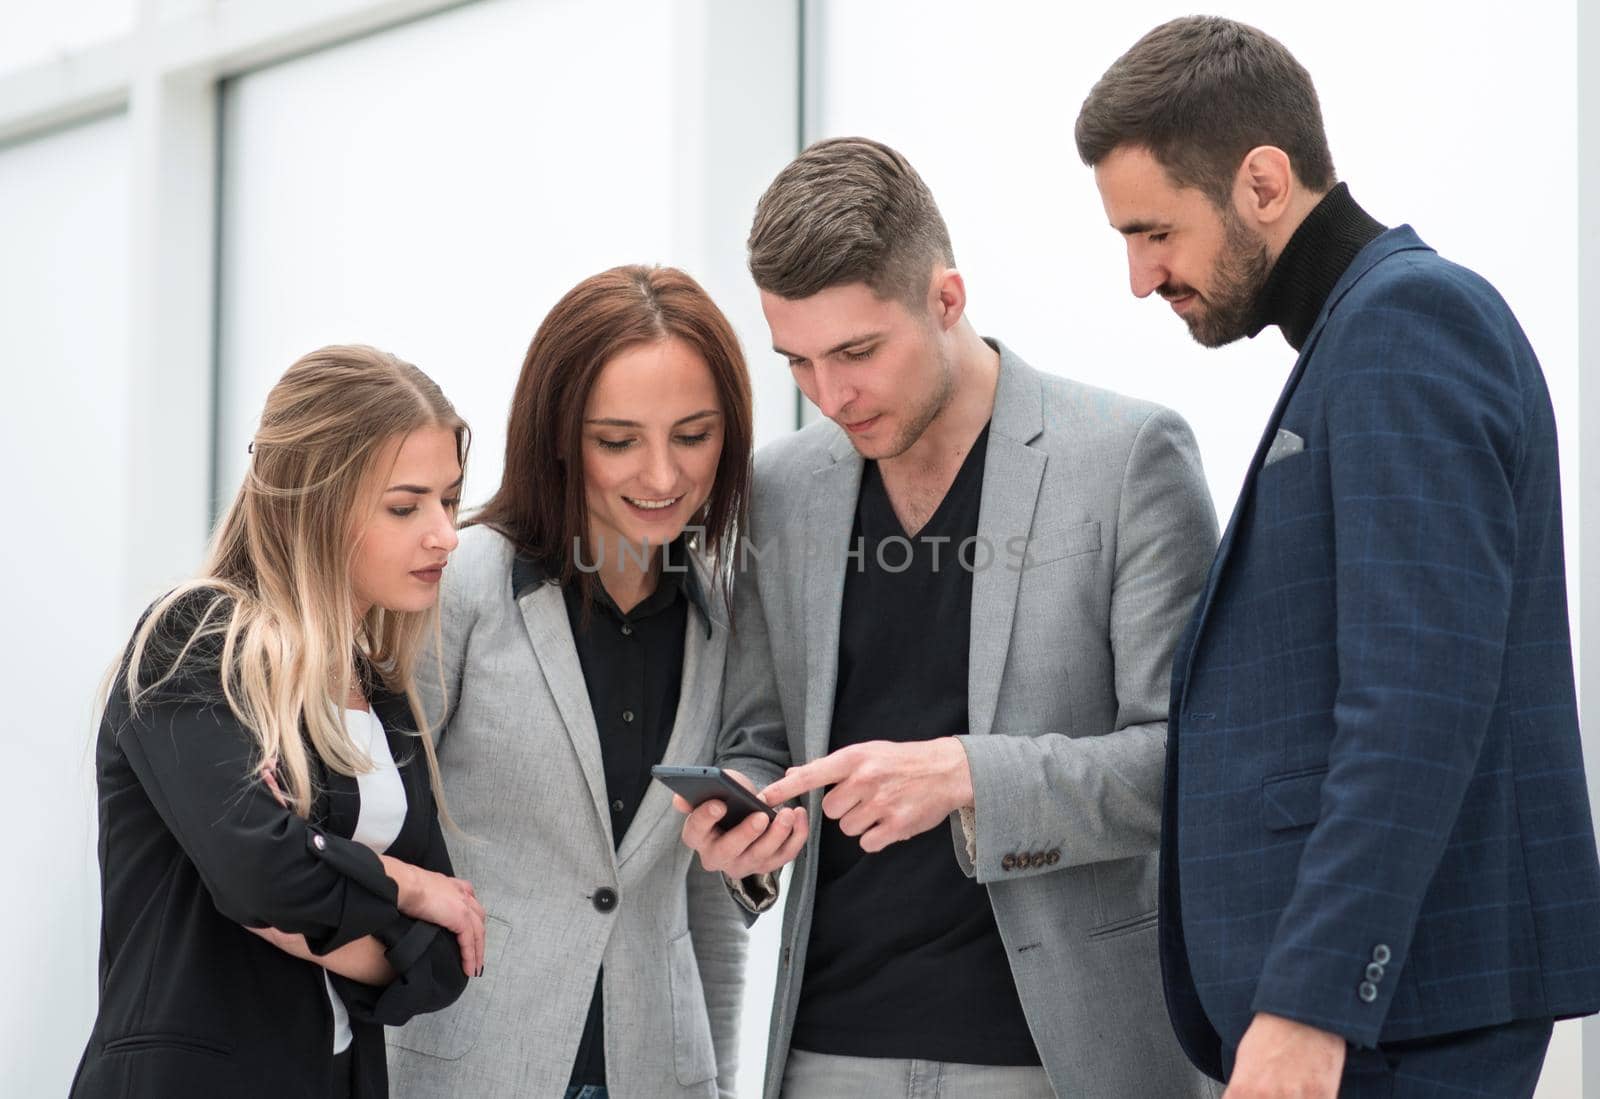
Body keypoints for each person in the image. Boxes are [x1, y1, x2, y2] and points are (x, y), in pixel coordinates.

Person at [1077, 16, 1600, 1098]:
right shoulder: (1360, 334)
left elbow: (1415, 701)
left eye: (1153, 231)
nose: (1139, 276)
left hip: (1391, 1023)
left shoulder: (1408, 324)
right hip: (1380, 1017)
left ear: (1262, 181)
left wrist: (1313, 1002)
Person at [674, 137, 1221, 1098]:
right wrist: (747, 823)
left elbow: (1192, 762)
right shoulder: (781, 486)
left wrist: (971, 774)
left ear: (947, 299)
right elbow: (763, 737)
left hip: (1058, 1055)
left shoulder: (1128, 457)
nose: (830, 396)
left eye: (857, 351)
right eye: (797, 361)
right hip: (824, 1051)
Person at [71, 345, 487, 1099]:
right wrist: (405, 885)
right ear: (313, 502)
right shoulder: (194, 643)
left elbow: (444, 962)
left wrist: (310, 875)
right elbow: (260, 872)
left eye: (449, 500)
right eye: (406, 505)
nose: (445, 534)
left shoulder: (378, 688)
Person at [387, 265, 755, 1099]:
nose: (662, 476)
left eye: (693, 435)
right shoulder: (460, 585)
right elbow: (378, 837)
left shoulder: (726, 614)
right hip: (468, 1063)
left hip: (660, 1072)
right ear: (559, 434)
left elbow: (704, 904)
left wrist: (718, 1080)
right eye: (618, 440)